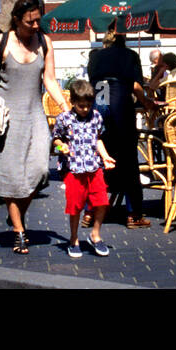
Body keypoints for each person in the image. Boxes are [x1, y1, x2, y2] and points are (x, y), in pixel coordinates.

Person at [0, 0, 68, 255]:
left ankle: (16, 213)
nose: (36, 26)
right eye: (31, 22)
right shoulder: (1, 43)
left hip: (35, 115)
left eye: (39, 20)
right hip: (7, 117)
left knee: (40, 170)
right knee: (11, 175)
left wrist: (65, 106)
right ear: (17, 20)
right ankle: (19, 231)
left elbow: (49, 80)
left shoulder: (44, 42)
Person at [87, 27, 150, 229]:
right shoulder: (130, 55)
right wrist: (147, 103)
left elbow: (95, 83)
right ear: (124, 40)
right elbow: (136, 87)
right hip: (120, 106)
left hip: (99, 104)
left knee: (99, 159)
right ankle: (133, 214)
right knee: (128, 160)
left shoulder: (96, 57)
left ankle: (90, 212)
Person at [52, 79, 116, 257]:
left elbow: (98, 139)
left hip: (94, 167)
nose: (85, 109)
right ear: (72, 102)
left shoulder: (96, 116)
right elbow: (55, 140)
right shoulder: (64, 118)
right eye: (81, 106)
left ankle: (95, 235)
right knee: (75, 206)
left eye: (88, 105)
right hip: (74, 169)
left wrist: (105, 156)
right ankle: (73, 238)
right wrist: (61, 147)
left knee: (102, 201)